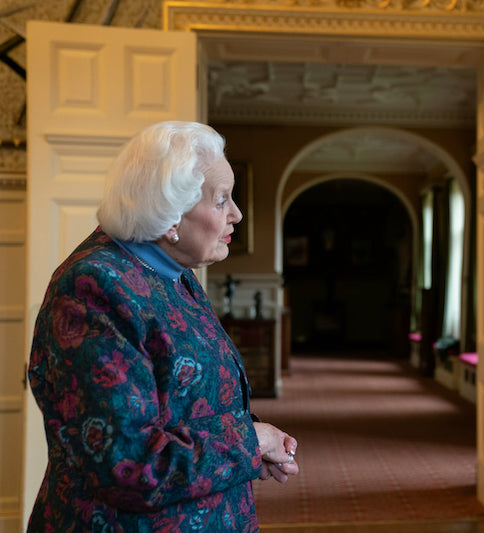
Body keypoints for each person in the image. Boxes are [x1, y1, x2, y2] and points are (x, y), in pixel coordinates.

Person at [27, 121, 299, 532]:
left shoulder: (173, 273)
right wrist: (249, 440)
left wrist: (255, 447)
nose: (237, 214)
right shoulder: (94, 288)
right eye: (222, 200)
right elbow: (128, 461)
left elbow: (188, 399)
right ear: (170, 217)